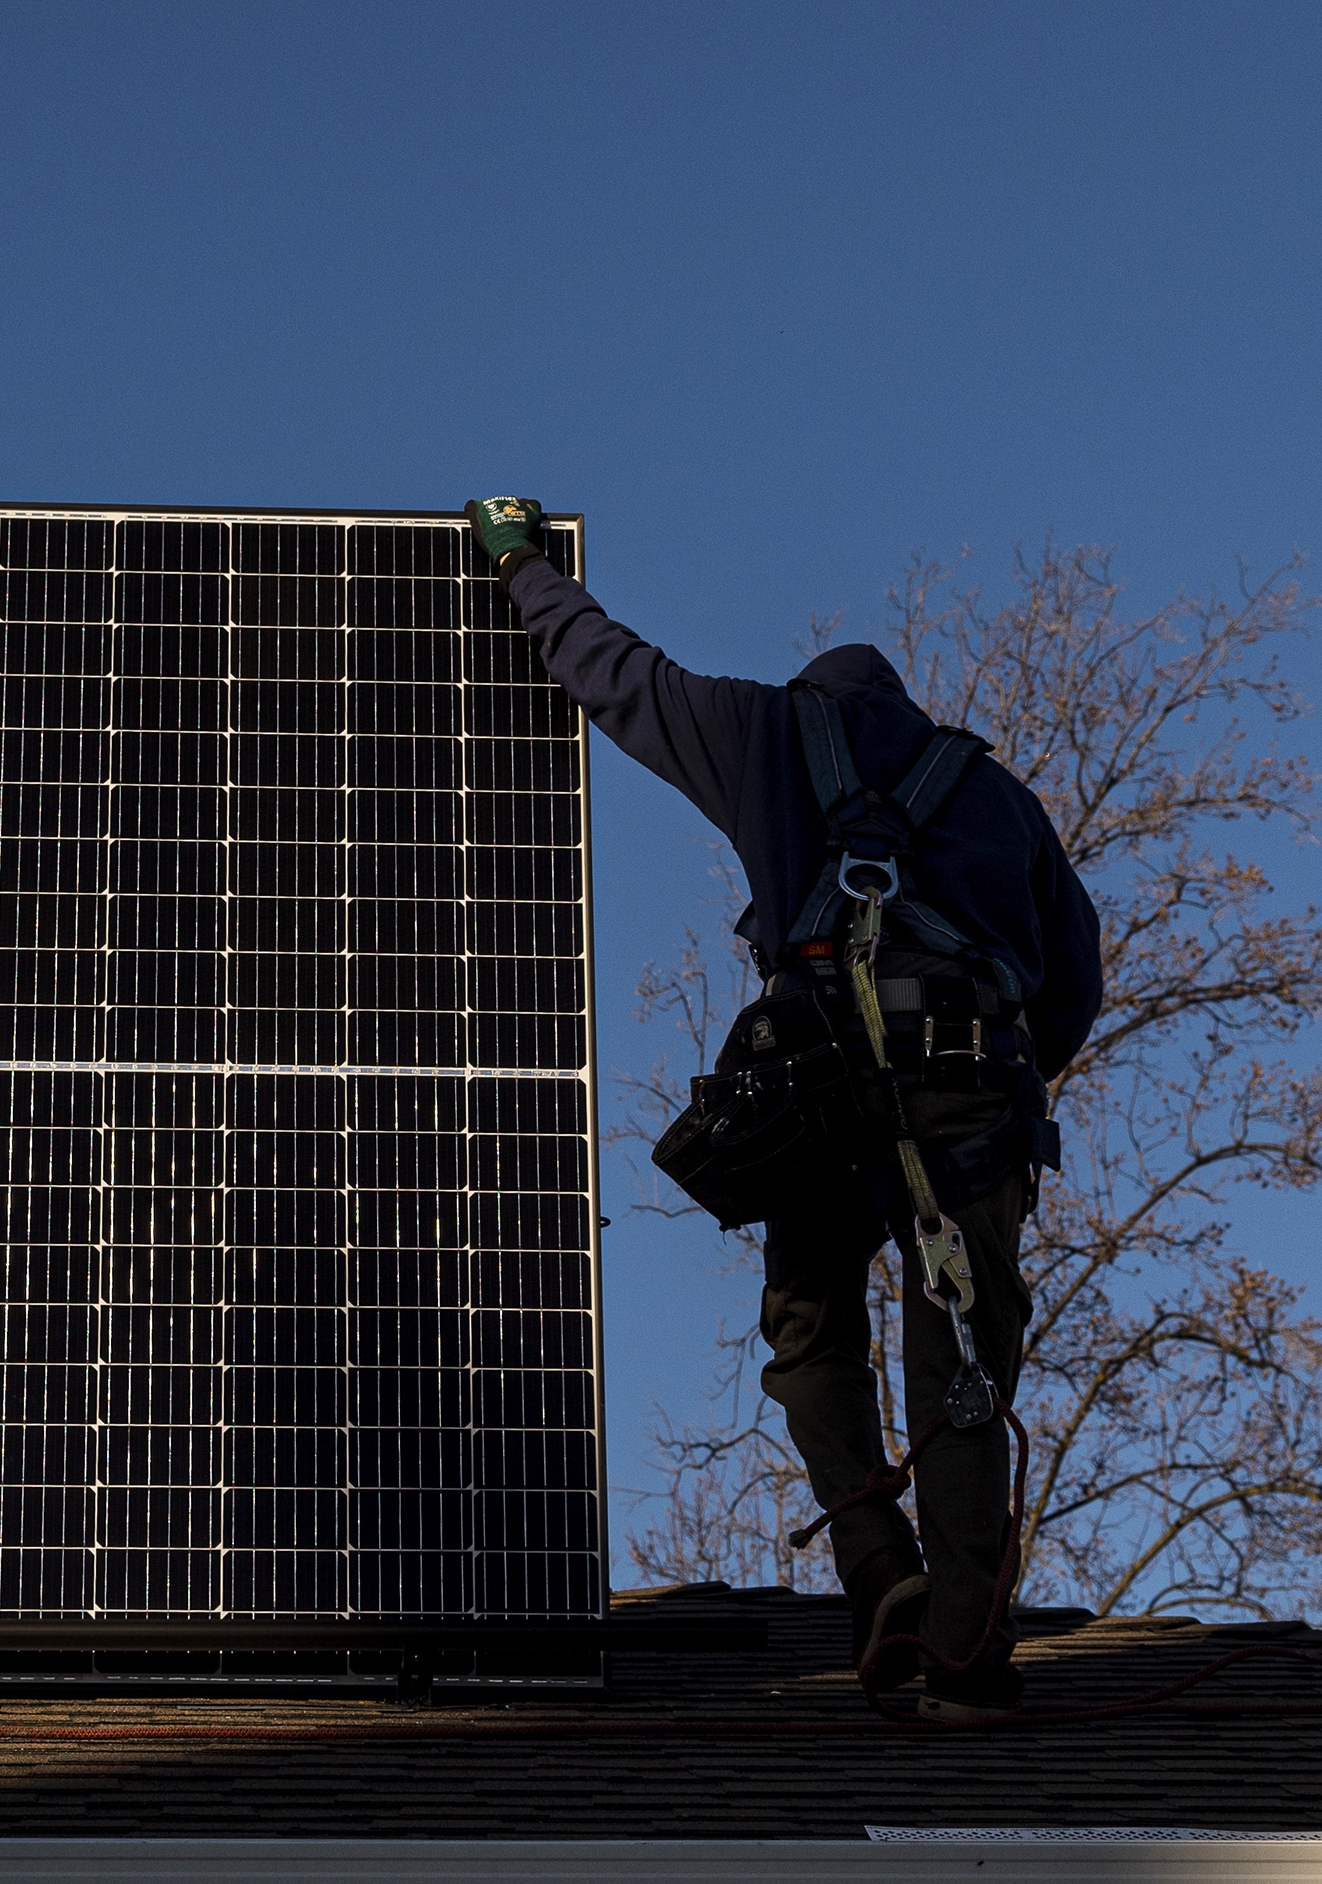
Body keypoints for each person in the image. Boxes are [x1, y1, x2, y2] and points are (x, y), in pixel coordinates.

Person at [464, 497, 1103, 1720]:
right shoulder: (997, 796)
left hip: (819, 1090)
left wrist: (519, 566)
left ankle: (880, 1573)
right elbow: (1073, 974)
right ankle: (966, 1656)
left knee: (812, 1332)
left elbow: (615, 674)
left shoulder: (764, 731)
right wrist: (1008, 1082)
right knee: (961, 1355)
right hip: (972, 1093)